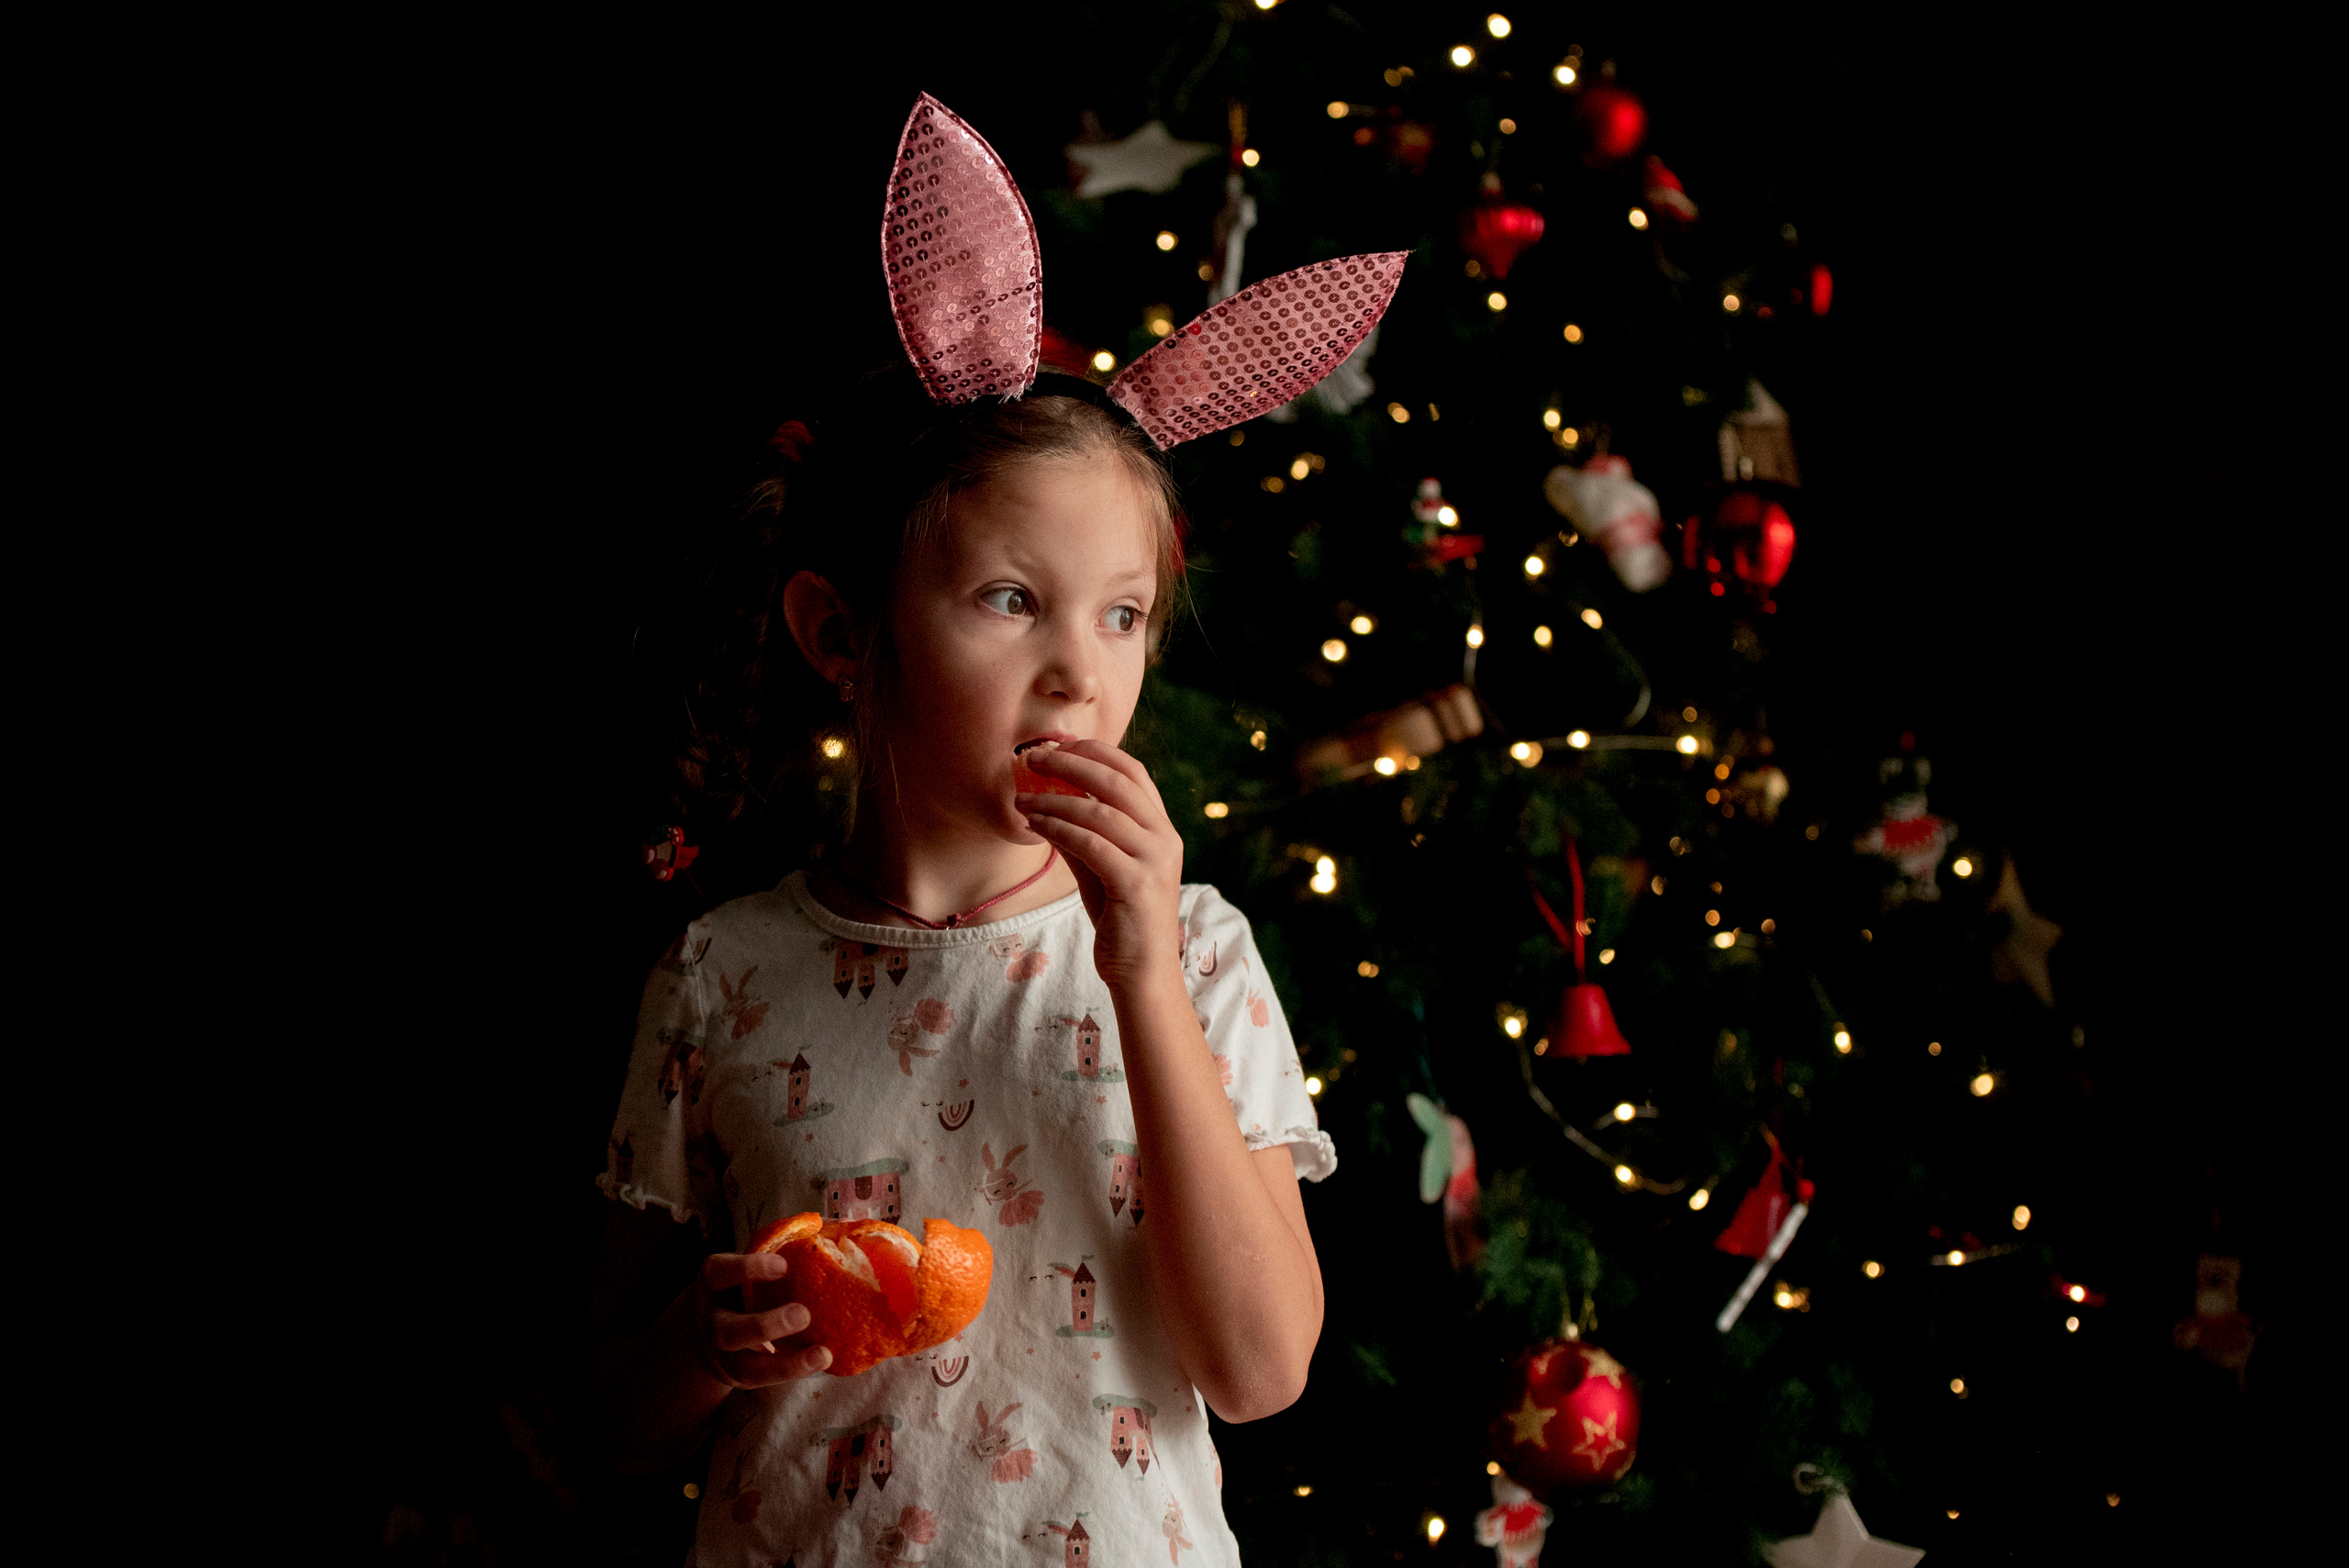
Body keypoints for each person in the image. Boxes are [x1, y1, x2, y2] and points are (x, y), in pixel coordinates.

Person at [579, 94, 1402, 1565]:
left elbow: (1263, 1369)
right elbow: (614, 1419)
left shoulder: (1197, 954)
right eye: (1010, 601)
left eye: (1125, 614)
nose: (1081, 671)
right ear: (844, 634)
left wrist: (1139, 967)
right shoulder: (721, 974)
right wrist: (704, 1343)